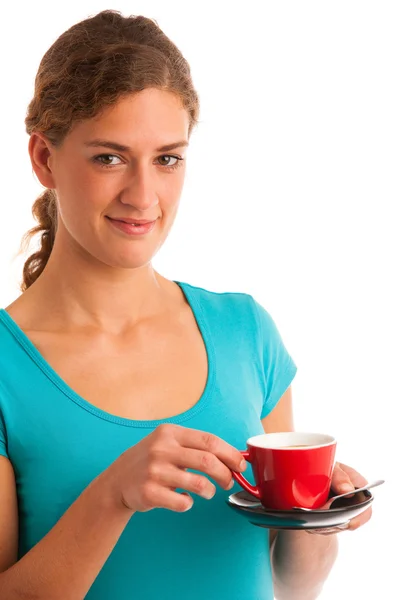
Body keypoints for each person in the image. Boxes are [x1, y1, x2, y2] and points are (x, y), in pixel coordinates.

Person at [0, 9, 371, 600]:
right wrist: (110, 497)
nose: (143, 195)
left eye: (167, 158)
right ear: (44, 158)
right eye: (109, 157)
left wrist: (317, 518)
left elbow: (291, 585)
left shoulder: (245, 332)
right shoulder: (5, 367)